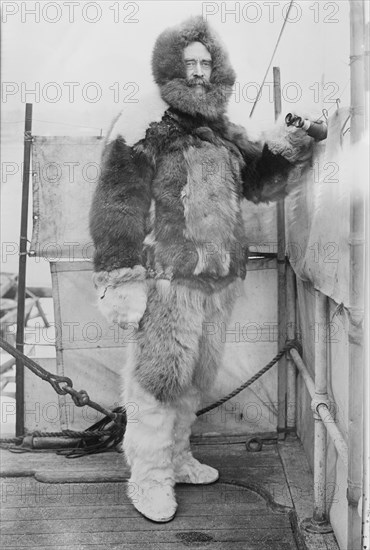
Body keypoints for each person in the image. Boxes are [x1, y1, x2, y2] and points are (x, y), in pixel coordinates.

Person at [89, 16, 313, 523]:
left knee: (194, 379)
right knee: (158, 381)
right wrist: (118, 277)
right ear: (170, 67)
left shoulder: (224, 132)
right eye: (188, 63)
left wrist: (287, 144)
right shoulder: (146, 123)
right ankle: (148, 478)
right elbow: (117, 202)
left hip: (219, 280)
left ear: (218, 70)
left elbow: (259, 183)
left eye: (204, 63)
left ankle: (179, 457)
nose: (196, 73)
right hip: (170, 280)